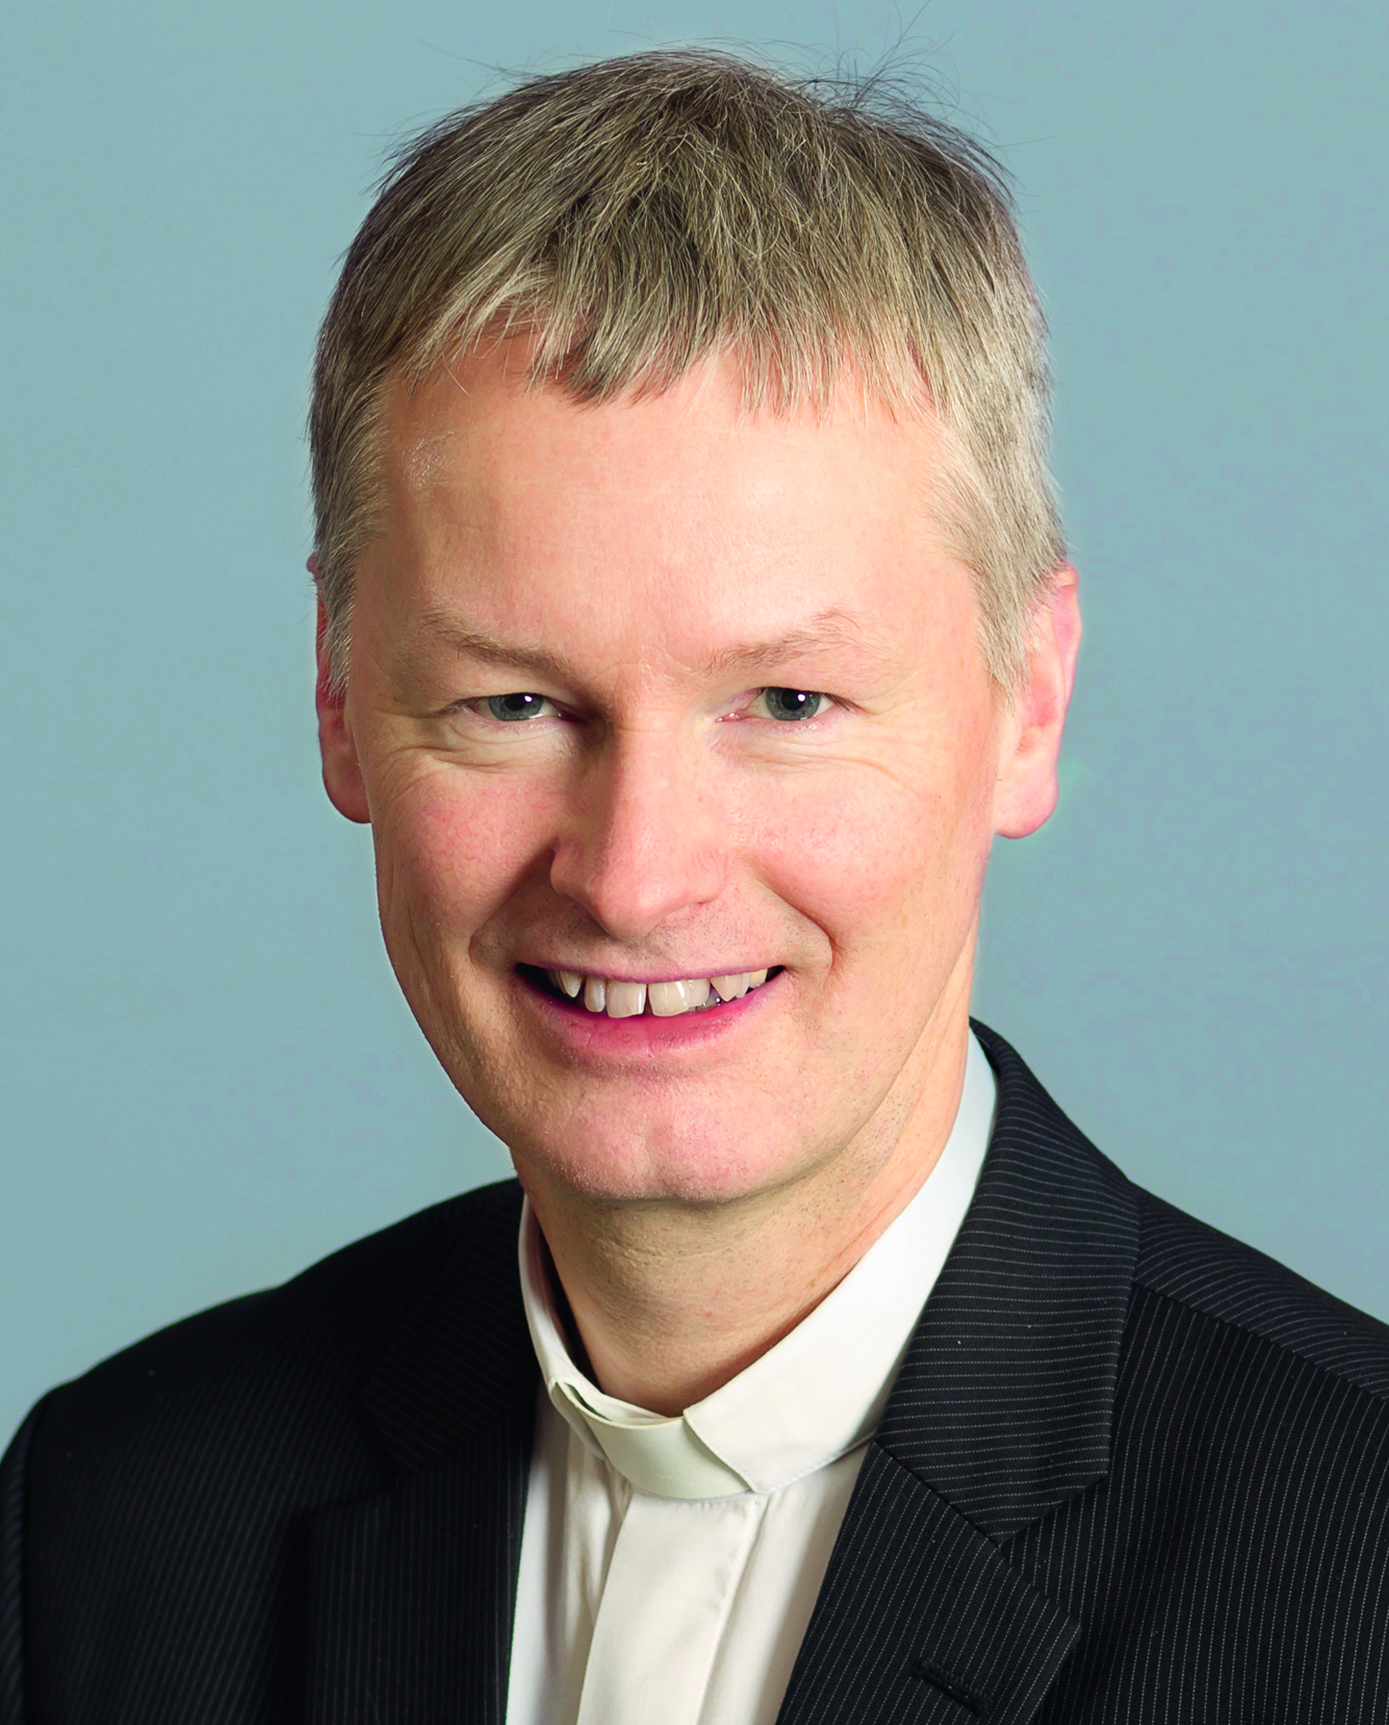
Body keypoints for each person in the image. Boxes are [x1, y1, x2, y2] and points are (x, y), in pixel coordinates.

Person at [3, 48, 1387, 1725]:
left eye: (787, 703)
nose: (637, 878)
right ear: (336, 695)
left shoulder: (1357, 1571)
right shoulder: (114, 1519)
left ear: (1029, 703)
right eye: (515, 704)